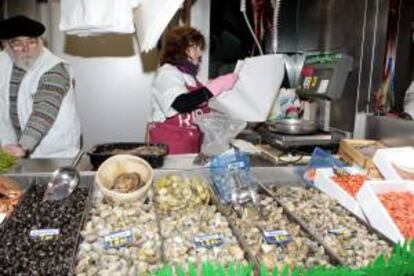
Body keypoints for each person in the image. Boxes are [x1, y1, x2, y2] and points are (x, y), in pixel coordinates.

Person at [0, 15, 81, 158]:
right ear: (7, 46)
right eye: (17, 44)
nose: (26, 49)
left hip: (55, 154)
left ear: (40, 42)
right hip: (13, 150)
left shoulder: (54, 69)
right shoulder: (4, 61)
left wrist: (23, 146)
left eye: (31, 42)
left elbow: (44, 111)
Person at [149, 26, 238, 154]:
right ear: (180, 49)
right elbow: (181, 103)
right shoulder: (167, 73)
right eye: (195, 47)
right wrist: (214, 87)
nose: (200, 53)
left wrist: (219, 85)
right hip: (170, 149)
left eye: (199, 48)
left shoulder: (192, 77)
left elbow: (202, 97)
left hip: (190, 146)